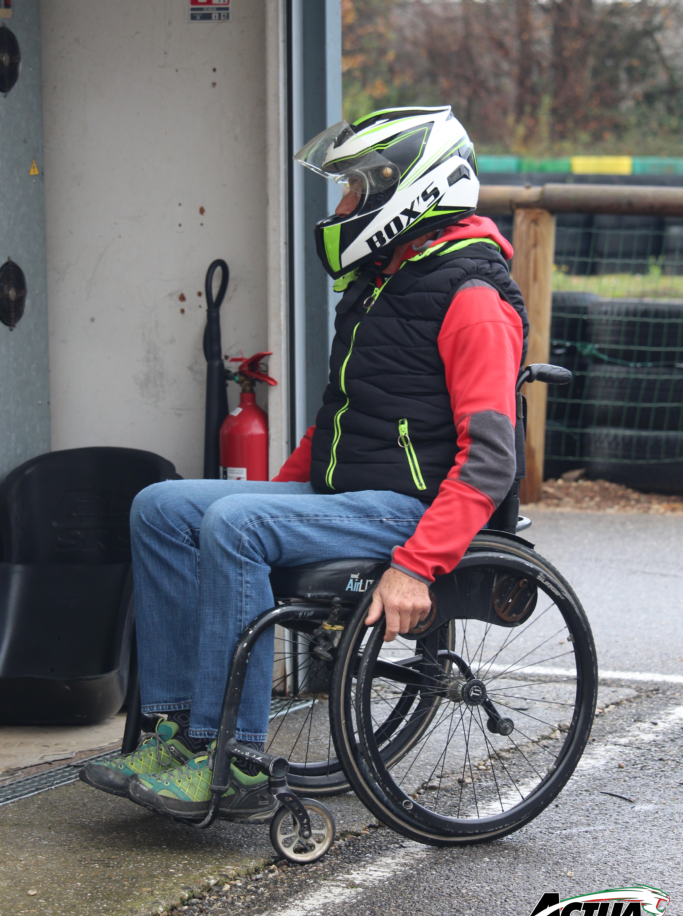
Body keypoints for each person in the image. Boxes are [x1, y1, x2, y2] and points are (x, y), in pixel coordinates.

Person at [80, 106, 528, 822]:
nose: (343, 205)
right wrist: (272, 497)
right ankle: (175, 733)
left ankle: (235, 760)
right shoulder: (382, 283)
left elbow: (491, 459)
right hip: (351, 499)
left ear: (411, 191)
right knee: (158, 506)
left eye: (356, 189)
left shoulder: (472, 298)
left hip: (411, 509)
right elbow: (338, 421)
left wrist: (417, 566)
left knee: (234, 524)